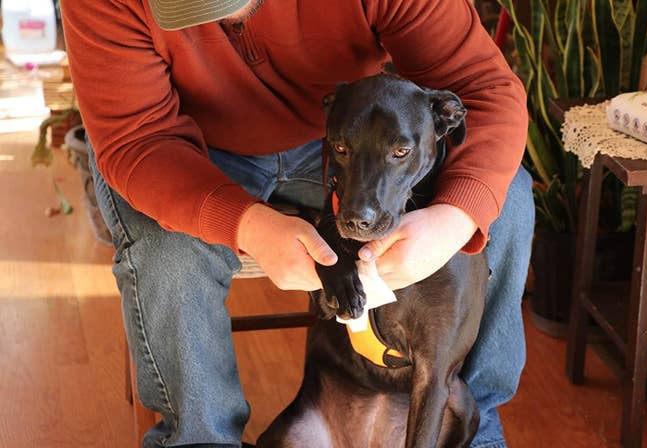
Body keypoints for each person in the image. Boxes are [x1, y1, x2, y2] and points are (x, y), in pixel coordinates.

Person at [61, 0, 534, 447]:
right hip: (191, 149)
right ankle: (199, 438)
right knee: (167, 249)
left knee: (505, 192)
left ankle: (473, 424)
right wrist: (246, 224)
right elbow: (137, 140)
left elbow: (484, 88)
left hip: (344, 142)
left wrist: (454, 219)